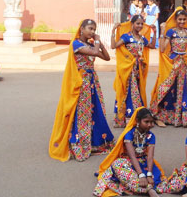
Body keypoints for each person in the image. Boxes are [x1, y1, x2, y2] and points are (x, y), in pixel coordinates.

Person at [49, 19, 115, 162]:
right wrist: (97, 43)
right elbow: (94, 52)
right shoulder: (76, 44)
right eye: (90, 28)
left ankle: (95, 142)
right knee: (82, 113)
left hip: (92, 82)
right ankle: (80, 144)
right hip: (81, 82)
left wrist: (100, 43)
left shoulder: (91, 44)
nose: (92, 32)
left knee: (95, 110)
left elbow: (107, 57)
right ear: (82, 29)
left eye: (94, 29)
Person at [150, 7, 187, 127]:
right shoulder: (171, 32)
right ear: (176, 19)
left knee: (181, 89)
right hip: (173, 62)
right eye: (180, 19)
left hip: (183, 64)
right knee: (167, 88)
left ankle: (179, 118)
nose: (182, 22)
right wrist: (162, 31)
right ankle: (160, 115)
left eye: (184, 19)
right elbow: (162, 49)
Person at [94, 107, 164, 197]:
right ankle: (149, 190)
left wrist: (149, 174)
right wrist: (141, 175)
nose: (150, 125)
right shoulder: (129, 134)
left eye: (151, 122)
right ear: (138, 121)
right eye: (146, 122)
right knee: (118, 164)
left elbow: (150, 157)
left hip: (144, 163)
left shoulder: (151, 136)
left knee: (154, 178)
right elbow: (132, 157)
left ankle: (143, 187)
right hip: (129, 162)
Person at [111, 15, 156, 128]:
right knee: (128, 92)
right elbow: (113, 46)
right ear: (132, 24)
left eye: (141, 24)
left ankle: (137, 117)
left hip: (139, 70)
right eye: (137, 23)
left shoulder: (142, 38)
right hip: (128, 69)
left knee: (138, 91)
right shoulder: (126, 37)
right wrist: (113, 31)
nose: (140, 26)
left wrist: (154, 33)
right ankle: (126, 118)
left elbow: (151, 46)